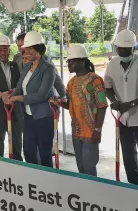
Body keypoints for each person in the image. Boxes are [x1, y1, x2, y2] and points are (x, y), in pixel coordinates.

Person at [5, 31, 66, 167]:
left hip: (44, 116)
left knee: (45, 154)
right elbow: (19, 87)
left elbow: (41, 95)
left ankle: (48, 183)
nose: (27, 51)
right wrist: (9, 96)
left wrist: (18, 98)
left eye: (30, 48)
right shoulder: (28, 66)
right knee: (29, 152)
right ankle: (35, 181)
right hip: (28, 116)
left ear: (39, 49)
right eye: (26, 48)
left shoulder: (48, 68)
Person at [103, 30, 138, 187]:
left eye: (128, 49)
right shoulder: (112, 64)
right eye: (121, 49)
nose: (124, 52)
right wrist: (114, 101)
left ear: (134, 48)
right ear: (116, 48)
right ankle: (134, 184)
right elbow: (107, 86)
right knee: (127, 154)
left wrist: (130, 104)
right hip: (122, 118)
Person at [60, 45, 108, 176]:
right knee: (81, 167)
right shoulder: (71, 82)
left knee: (89, 167)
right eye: (68, 61)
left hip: (91, 131)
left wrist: (98, 130)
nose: (69, 64)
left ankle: (94, 193)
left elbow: (102, 106)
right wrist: (58, 102)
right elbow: (69, 104)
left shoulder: (95, 80)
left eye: (72, 61)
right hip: (76, 131)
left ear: (82, 61)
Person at [13, 32, 66, 98]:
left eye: (23, 45)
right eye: (18, 46)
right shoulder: (16, 58)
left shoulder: (45, 59)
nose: (20, 48)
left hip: (40, 97)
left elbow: (56, 79)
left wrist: (63, 96)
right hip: (23, 97)